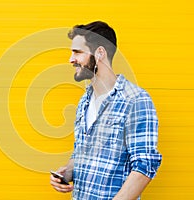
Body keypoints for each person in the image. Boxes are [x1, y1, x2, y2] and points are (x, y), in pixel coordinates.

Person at [50, 21, 162, 200]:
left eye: (77, 52)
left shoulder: (135, 100)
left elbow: (145, 166)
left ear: (100, 53)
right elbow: (82, 153)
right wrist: (68, 172)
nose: (71, 59)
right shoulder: (84, 101)